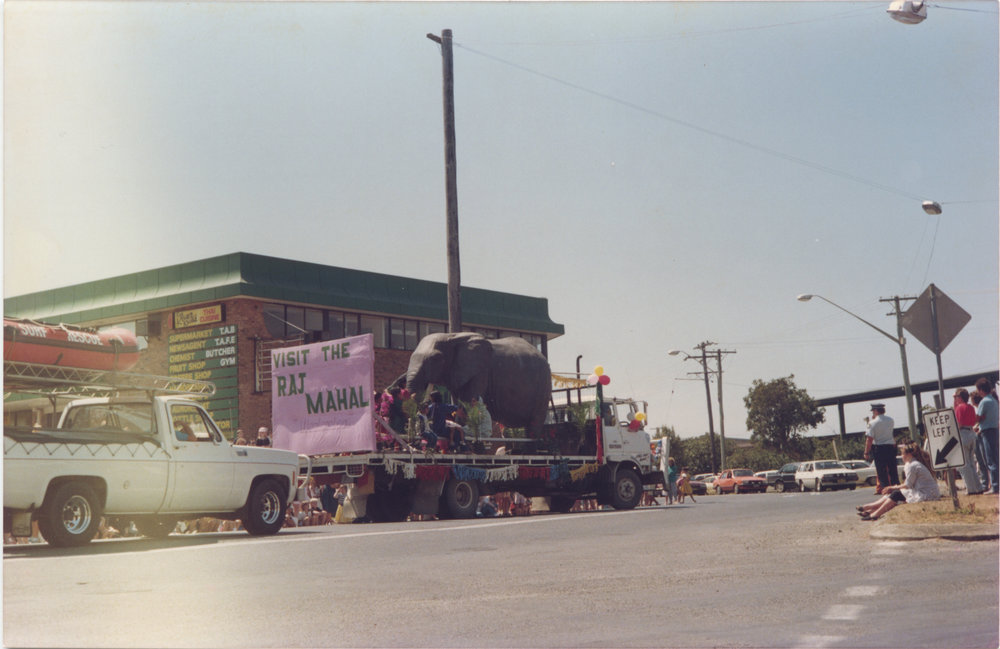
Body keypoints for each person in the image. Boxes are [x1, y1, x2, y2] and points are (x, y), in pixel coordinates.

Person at [856, 441, 940, 520]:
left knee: (896, 494)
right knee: (895, 493)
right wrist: (893, 488)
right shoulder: (913, 464)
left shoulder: (913, 465)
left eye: (902, 454)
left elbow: (908, 485)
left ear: (909, 454)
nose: (901, 456)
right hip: (925, 492)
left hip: (927, 494)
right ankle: (870, 510)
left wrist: (892, 487)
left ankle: (874, 513)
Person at [953, 389, 985, 495]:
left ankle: (971, 489)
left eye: (956, 396)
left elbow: (958, 423)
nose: (955, 398)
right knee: (971, 463)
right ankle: (978, 487)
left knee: (964, 464)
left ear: (960, 397)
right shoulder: (970, 407)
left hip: (963, 434)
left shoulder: (959, 408)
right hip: (971, 433)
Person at [864, 404, 898, 493]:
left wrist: (866, 452)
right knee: (893, 470)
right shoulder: (891, 420)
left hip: (879, 448)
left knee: (882, 472)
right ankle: (896, 488)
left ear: (875, 411)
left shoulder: (872, 423)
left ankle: (886, 490)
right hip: (890, 447)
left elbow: (869, 439)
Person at [974, 377, 999, 494]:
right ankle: (996, 484)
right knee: (995, 458)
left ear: (981, 390)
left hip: (986, 431)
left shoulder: (984, 402)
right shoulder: (994, 400)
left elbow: (977, 417)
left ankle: (995, 486)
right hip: (994, 429)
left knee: (990, 460)